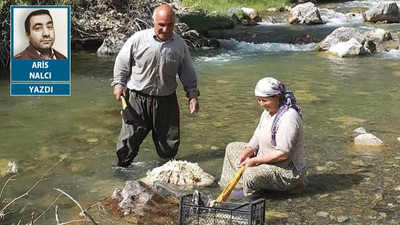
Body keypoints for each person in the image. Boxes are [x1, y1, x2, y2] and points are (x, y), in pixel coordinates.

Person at [111, 4, 199, 168]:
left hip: (166, 100)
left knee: (169, 144)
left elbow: (187, 71)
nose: (165, 29)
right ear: (153, 21)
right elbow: (122, 62)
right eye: (161, 25)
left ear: (174, 23)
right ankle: (120, 172)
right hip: (137, 98)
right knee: (129, 140)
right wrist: (119, 83)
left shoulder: (180, 45)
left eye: (170, 25)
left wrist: (192, 95)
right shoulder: (138, 39)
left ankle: (166, 174)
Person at [219, 77, 307, 196]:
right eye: (259, 100)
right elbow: (256, 137)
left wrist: (254, 161)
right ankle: (231, 189)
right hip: (265, 158)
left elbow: (283, 154)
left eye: (264, 100)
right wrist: (246, 153)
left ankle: (247, 197)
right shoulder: (268, 112)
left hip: (286, 170)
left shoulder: (288, 119)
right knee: (232, 148)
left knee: (251, 174)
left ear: (276, 97)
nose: (261, 104)